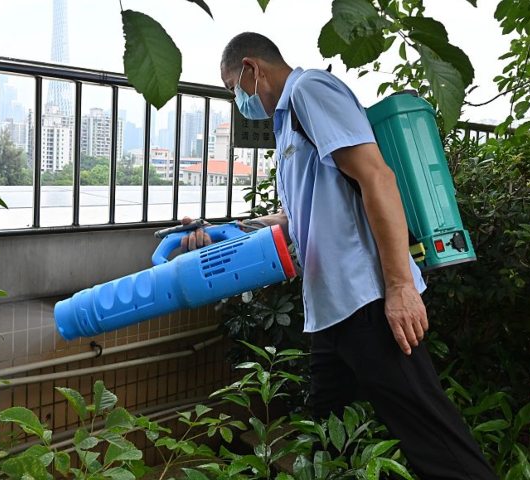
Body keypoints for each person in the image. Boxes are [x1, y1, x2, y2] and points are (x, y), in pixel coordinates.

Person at [182, 32, 497, 480]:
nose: (237, 98)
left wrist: (401, 288)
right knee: (328, 434)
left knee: (435, 442)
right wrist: (221, 232)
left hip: (367, 301)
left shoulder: (310, 91)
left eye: (232, 86)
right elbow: (296, 217)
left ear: (253, 69)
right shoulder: (288, 123)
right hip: (332, 312)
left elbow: (377, 178)